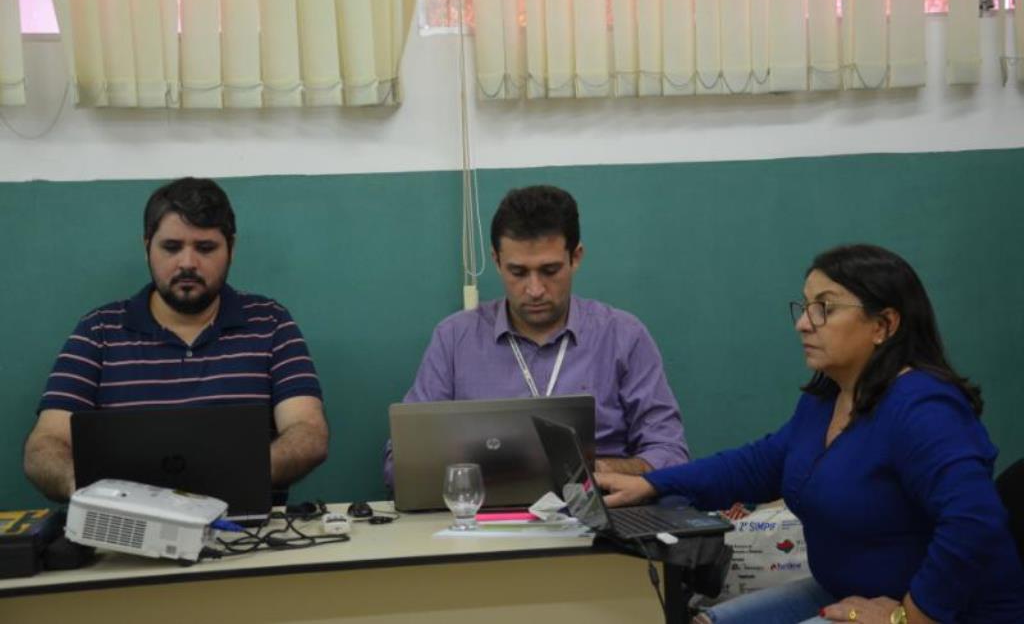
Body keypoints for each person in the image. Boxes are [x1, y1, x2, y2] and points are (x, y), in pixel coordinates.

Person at [597, 244, 1024, 624]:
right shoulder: (826, 400)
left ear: (883, 324)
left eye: (825, 308)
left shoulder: (925, 407)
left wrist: (909, 616)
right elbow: (758, 465)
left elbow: (975, 520)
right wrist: (651, 483)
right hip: (842, 591)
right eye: (804, 307)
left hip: (938, 610)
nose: (803, 323)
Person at [24, 177, 329, 502]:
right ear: (147, 248)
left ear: (231, 249)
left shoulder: (271, 324)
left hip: (248, 526)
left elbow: (308, 432)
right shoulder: (98, 332)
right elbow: (44, 445)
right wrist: (91, 493)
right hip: (126, 524)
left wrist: (232, 479)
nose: (187, 263)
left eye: (205, 248)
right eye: (171, 247)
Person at [384, 185, 688, 487]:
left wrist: (600, 470)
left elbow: (671, 453)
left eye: (550, 270)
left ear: (576, 257)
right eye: (518, 272)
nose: (535, 290)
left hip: (599, 505)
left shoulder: (623, 335)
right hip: (482, 511)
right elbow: (399, 463)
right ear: (496, 261)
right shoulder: (454, 338)